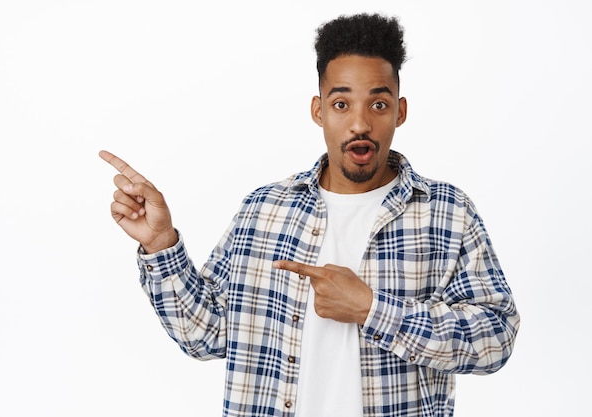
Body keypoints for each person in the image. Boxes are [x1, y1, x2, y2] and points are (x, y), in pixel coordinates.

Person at [100, 13, 520, 417]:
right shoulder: (265, 210)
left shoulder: (446, 213)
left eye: (378, 105)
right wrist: (160, 245)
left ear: (400, 111)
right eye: (342, 104)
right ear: (319, 110)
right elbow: (205, 334)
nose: (360, 124)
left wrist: (372, 309)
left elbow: (497, 338)